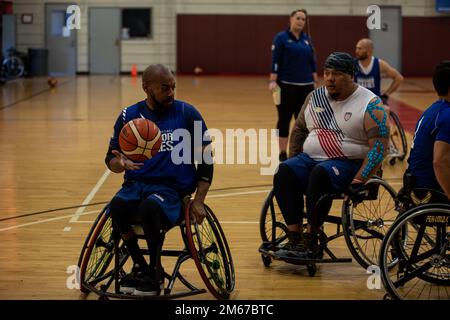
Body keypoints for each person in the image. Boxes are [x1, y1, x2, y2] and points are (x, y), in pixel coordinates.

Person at [105, 64, 213, 296]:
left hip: (172, 190)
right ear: (146, 88)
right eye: (165, 88)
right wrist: (120, 163)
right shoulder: (129, 116)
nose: (171, 93)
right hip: (135, 185)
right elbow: (110, 159)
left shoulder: (187, 113)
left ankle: (154, 272)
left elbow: (206, 158)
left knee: (150, 207)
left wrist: (199, 200)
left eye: (173, 87)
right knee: (117, 205)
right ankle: (141, 266)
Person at [273, 52, 390, 258]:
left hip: (350, 165)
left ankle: (312, 236)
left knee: (320, 173)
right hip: (312, 160)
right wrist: (293, 160)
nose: (329, 78)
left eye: (335, 74)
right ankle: (295, 238)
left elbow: (380, 147)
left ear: (350, 76)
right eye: (326, 73)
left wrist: (360, 179)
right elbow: (300, 130)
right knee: (284, 171)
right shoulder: (314, 97)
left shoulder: (371, 104)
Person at [269, 9, 318, 162]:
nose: (300, 21)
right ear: (291, 19)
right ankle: (283, 153)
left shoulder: (307, 39)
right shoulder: (281, 38)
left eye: (303, 19)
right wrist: (272, 81)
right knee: (283, 119)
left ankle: (298, 152)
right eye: (298, 18)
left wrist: (315, 81)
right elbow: (275, 60)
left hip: (306, 87)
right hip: (285, 86)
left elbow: (312, 62)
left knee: (303, 121)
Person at [401, 60, 450, 202]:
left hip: (415, 182)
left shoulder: (433, 109)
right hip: (430, 189)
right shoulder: (447, 116)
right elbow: (439, 162)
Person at [354, 38, 404, 105]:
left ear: (369, 51)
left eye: (360, 49)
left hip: (374, 102)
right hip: (357, 101)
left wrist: (386, 95)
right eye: (356, 48)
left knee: (386, 109)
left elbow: (399, 78)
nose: (356, 51)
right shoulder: (353, 64)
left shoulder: (379, 64)